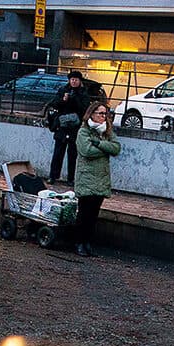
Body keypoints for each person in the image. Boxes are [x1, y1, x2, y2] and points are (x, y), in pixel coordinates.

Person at [73, 100, 120, 257]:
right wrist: (105, 148)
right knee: (84, 213)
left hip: (101, 178)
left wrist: (99, 143)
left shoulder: (106, 131)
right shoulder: (83, 132)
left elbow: (116, 148)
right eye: (100, 113)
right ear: (91, 114)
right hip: (86, 177)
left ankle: (88, 243)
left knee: (93, 214)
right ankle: (79, 242)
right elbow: (86, 151)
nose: (103, 116)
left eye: (105, 114)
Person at [47, 70, 88, 183]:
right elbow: (54, 104)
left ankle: (71, 178)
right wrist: (63, 100)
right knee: (58, 153)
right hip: (63, 126)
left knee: (72, 154)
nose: (74, 81)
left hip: (75, 127)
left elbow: (84, 109)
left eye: (76, 79)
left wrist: (74, 99)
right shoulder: (63, 90)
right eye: (72, 79)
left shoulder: (83, 93)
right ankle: (53, 176)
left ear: (80, 81)